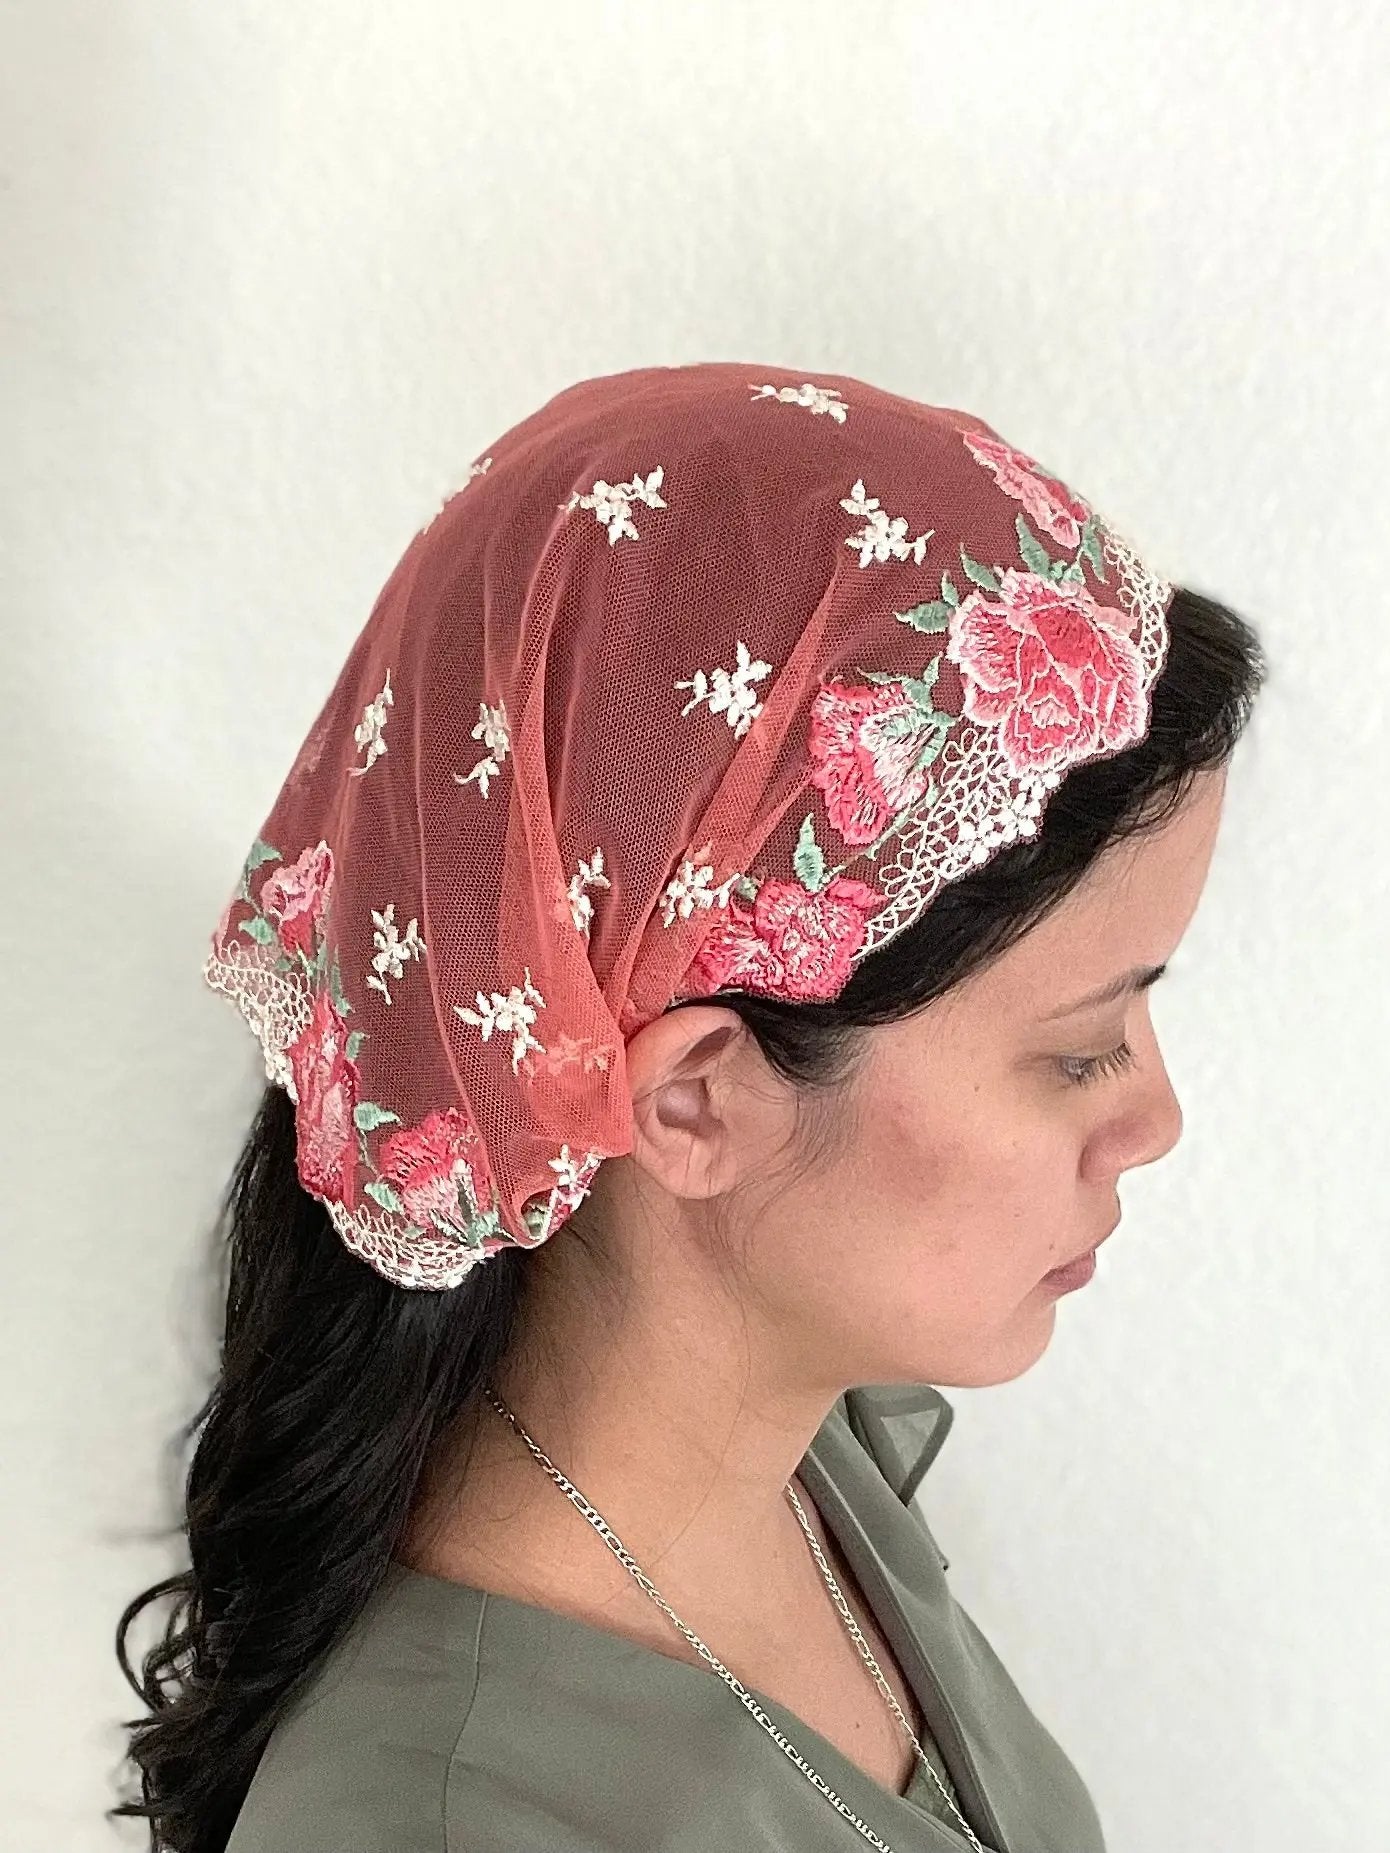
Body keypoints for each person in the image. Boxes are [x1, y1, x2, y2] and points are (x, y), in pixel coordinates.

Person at [111, 363, 1267, 1853]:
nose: (1151, 1117)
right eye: (1078, 1046)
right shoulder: (443, 1822)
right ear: (695, 1100)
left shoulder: (797, 1461)